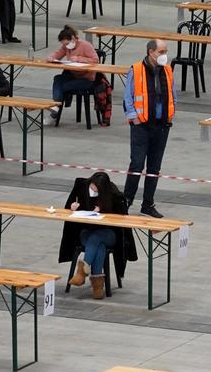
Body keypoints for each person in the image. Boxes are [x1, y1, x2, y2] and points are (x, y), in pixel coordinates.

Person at [60, 172, 135, 300]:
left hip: (108, 233)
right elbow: (67, 208)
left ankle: (82, 271)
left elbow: (121, 216)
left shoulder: (113, 194)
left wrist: (103, 211)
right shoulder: (82, 187)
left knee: (97, 238)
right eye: (92, 186)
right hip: (86, 232)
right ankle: (98, 288)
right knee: (98, 245)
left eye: (96, 188)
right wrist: (72, 208)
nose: (93, 189)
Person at [122, 39, 175, 218]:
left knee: (154, 167)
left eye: (165, 51)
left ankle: (148, 204)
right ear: (151, 51)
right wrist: (134, 118)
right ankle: (126, 201)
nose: (164, 55)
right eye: (161, 51)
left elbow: (172, 93)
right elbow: (128, 97)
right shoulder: (135, 70)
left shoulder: (167, 70)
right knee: (136, 164)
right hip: (141, 126)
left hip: (161, 125)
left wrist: (171, 113)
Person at [46, 25, 100, 122]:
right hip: (74, 75)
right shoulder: (66, 47)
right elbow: (58, 53)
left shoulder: (86, 45)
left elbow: (95, 60)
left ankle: (55, 110)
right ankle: (56, 106)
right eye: (64, 44)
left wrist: (79, 59)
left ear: (73, 38)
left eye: (67, 44)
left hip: (87, 78)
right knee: (58, 79)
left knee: (62, 87)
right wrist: (51, 57)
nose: (66, 46)